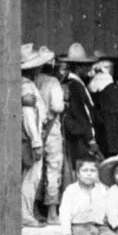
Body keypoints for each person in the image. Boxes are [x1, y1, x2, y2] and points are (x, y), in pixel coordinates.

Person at [34, 46, 65, 224]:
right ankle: (52, 211)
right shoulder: (53, 82)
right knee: (53, 168)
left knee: (36, 170)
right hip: (51, 129)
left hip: (35, 129)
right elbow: (57, 107)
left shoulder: (32, 80)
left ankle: (35, 208)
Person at [57, 43, 100, 168]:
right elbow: (82, 114)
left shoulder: (69, 82)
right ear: (79, 67)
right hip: (80, 137)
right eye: (87, 66)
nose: (88, 70)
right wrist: (91, 139)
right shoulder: (75, 86)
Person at [21, 45, 48, 227]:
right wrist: (36, 141)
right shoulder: (26, 87)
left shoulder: (21, 85)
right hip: (31, 137)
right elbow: (29, 116)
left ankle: (25, 213)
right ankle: (25, 215)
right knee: (31, 177)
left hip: (29, 136)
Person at [88, 58, 118, 159]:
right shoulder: (106, 80)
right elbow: (115, 109)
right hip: (110, 122)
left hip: (100, 121)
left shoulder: (95, 80)